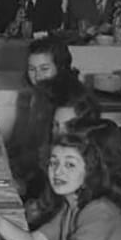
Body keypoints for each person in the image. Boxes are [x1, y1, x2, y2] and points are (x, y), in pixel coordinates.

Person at [7, 36, 77, 185]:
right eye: (32, 69)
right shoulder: (39, 95)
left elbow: (49, 158)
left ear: (61, 67)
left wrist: (23, 180)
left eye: (44, 69)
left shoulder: (66, 103)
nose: (37, 76)